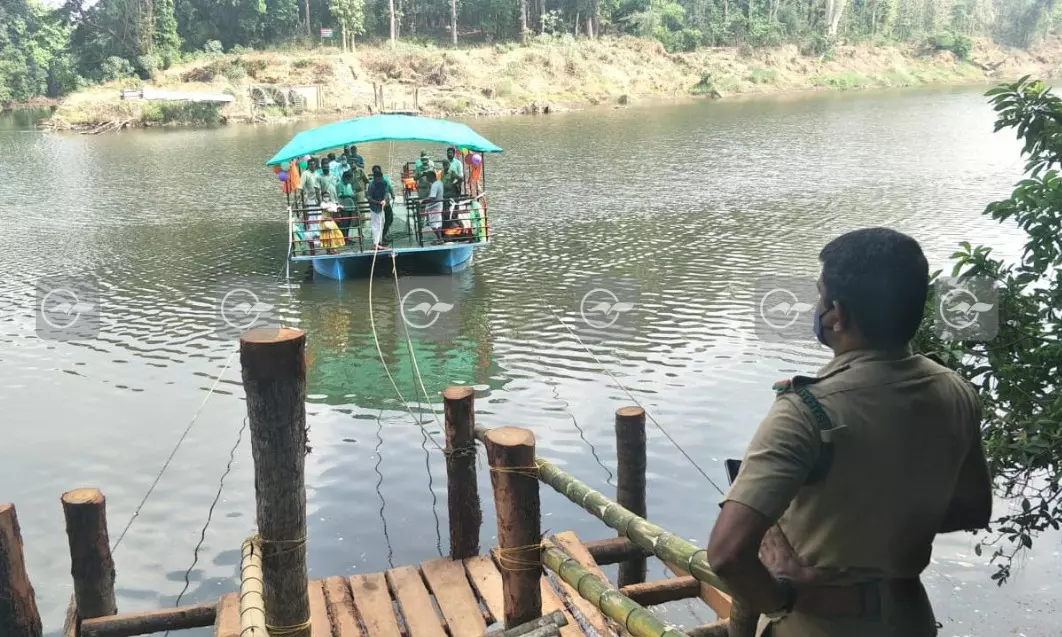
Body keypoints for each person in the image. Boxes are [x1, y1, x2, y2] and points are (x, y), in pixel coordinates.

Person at [705, 228, 991, 637]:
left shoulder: (806, 410)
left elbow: (728, 555)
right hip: (909, 620)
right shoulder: (956, 391)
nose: (817, 305)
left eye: (820, 294)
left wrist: (784, 596)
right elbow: (973, 509)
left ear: (836, 313)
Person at [366, 165, 393, 249]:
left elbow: (386, 193)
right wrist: (378, 203)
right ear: (374, 178)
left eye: (380, 178)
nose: (379, 180)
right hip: (374, 207)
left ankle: (380, 242)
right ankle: (375, 244)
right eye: (377, 179)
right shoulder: (371, 185)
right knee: (376, 225)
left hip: (382, 206)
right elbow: (369, 198)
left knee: (381, 224)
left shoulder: (384, 182)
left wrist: (385, 200)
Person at [422, 170, 444, 241]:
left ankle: (440, 239)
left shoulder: (434, 185)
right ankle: (440, 239)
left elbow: (432, 197)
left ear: (431, 177)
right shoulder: (440, 182)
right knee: (438, 222)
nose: (427, 179)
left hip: (434, 206)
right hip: (439, 204)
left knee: (433, 224)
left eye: (427, 177)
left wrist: (423, 201)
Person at [337, 171, 357, 241]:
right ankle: (343, 239)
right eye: (349, 179)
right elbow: (339, 195)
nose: (349, 181)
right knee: (344, 223)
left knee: (348, 223)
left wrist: (353, 195)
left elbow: (351, 193)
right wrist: (349, 195)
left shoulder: (349, 185)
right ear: (345, 178)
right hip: (344, 206)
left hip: (350, 206)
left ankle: (347, 238)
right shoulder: (339, 184)